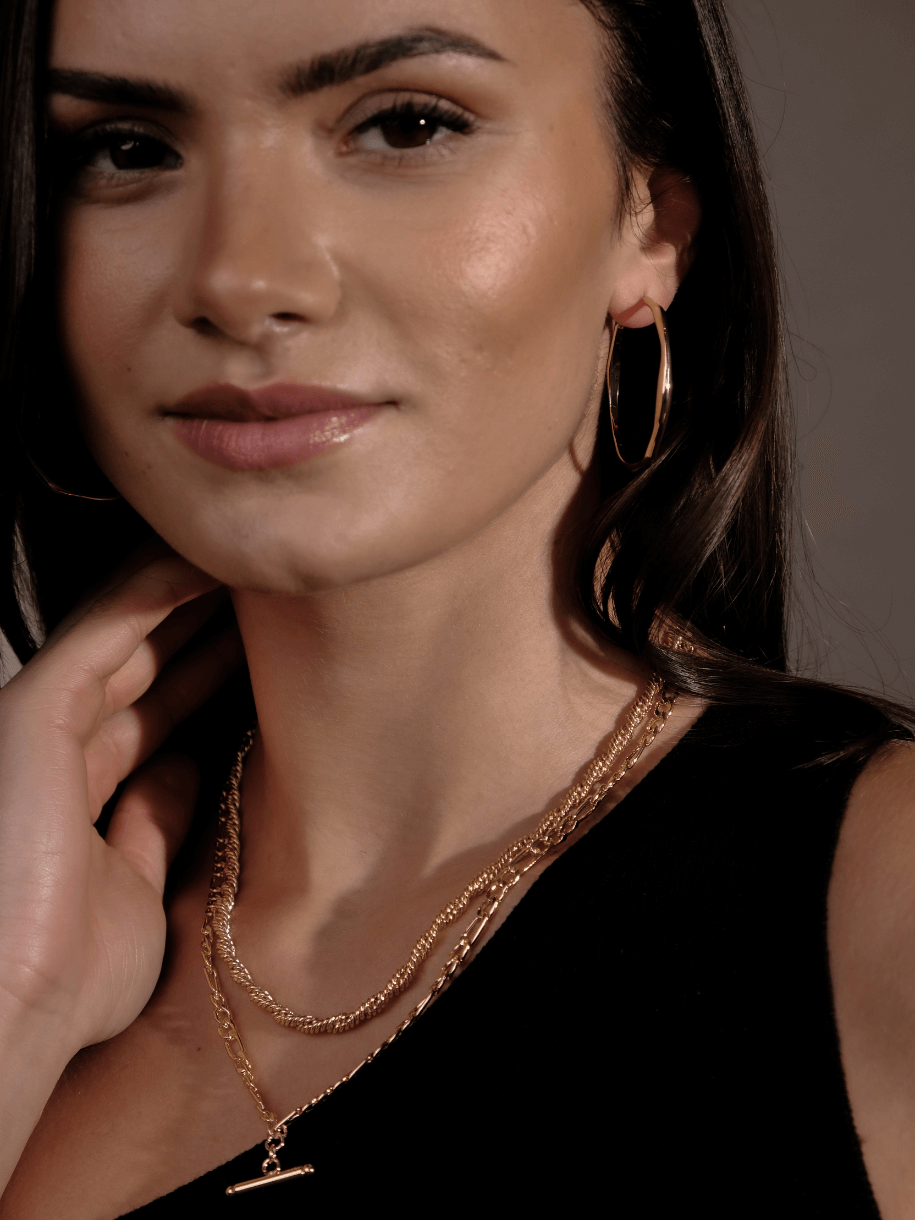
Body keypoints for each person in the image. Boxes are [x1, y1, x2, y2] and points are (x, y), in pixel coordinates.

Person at [0, 0, 912, 1215]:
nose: (239, 278)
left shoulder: (882, 896)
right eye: (126, 148)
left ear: (652, 223)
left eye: (406, 124)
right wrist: (16, 1003)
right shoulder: (37, 935)